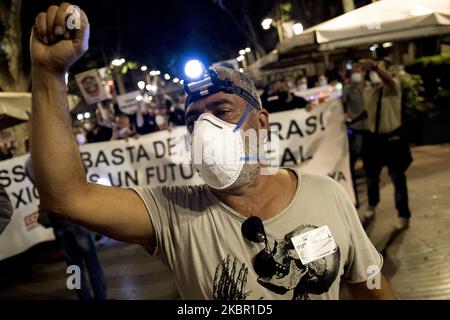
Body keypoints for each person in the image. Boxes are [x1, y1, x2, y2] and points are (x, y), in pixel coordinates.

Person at [30, 3, 396, 300]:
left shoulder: (327, 195)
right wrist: (49, 74)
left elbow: (370, 286)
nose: (204, 129)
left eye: (221, 112)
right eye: (193, 121)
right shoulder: (172, 215)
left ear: (262, 122)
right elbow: (65, 196)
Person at [25, 154, 107, 300]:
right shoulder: (63, 150)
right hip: (75, 215)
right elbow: (83, 172)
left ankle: (83, 297)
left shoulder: (30, 163)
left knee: (73, 265)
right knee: (92, 262)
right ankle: (100, 297)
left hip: (56, 217)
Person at [359, 58, 413, 230]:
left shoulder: (393, 86)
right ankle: (372, 204)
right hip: (374, 140)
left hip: (393, 140)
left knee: (398, 179)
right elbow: (369, 112)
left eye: (380, 68)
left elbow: (388, 80)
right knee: (371, 178)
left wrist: (375, 66)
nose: (376, 71)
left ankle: (403, 214)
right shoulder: (368, 91)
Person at [342, 63, 367, 208]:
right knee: (351, 164)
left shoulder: (369, 88)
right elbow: (341, 104)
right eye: (354, 71)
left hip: (369, 130)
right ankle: (354, 197)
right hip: (355, 130)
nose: (356, 74)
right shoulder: (348, 89)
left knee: (369, 165)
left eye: (359, 71)